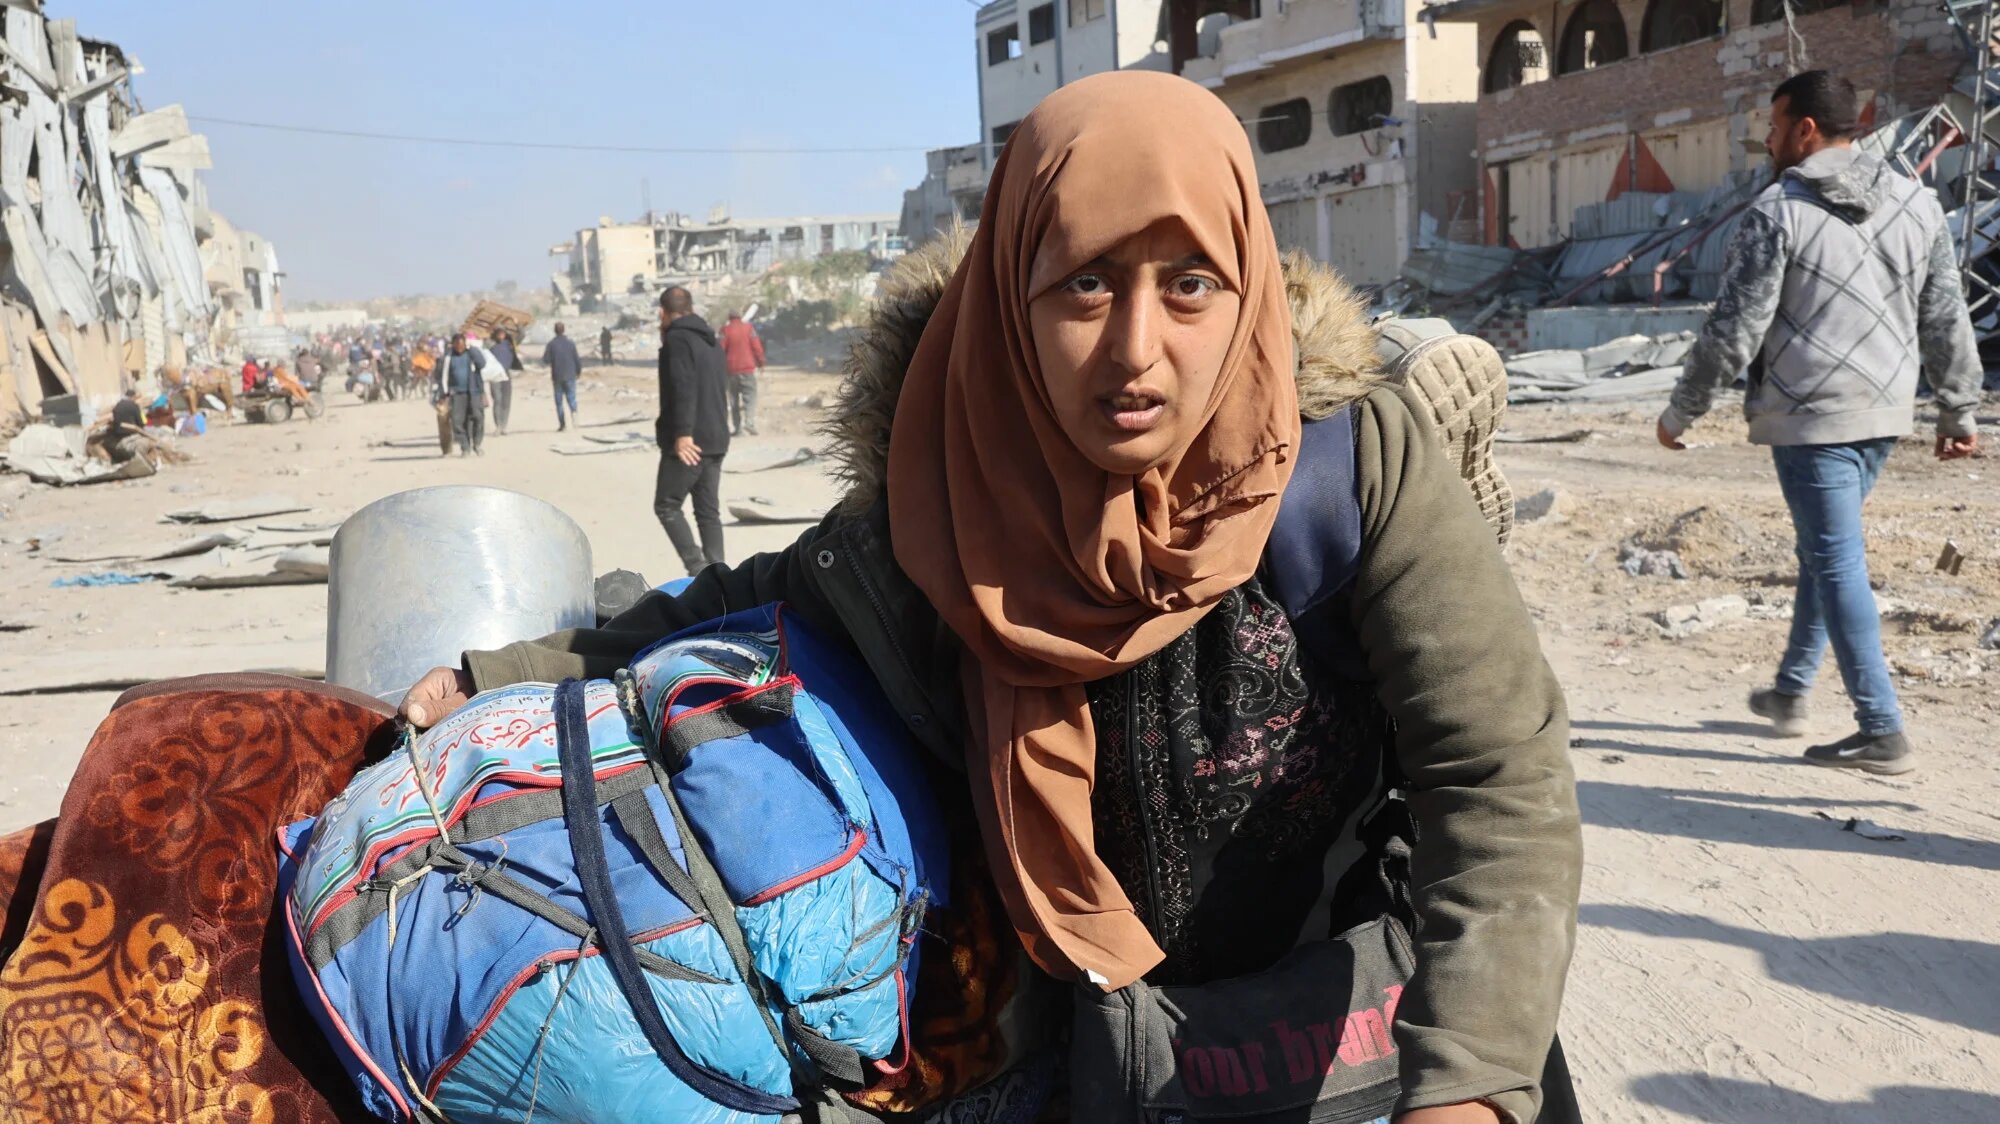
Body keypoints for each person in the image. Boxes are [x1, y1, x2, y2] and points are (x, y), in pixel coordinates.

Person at [402, 72, 1580, 1124]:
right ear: (1010, 299)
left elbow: (1496, 771)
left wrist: (1469, 1079)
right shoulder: (940, 507)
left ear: (1246, 288)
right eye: (1081, 285)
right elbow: (746, 598)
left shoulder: (1350, 475)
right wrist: (505, 674)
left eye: (1187, 285)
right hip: (1069, 1053)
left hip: (1344, 1044)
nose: (1134, 348)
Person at [1657, 70, 1982, 776]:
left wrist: (1682, 409)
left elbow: (1734, 329)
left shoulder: (1779, 211)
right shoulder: (1916, 204)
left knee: (1836, 561)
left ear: (1805, 128)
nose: (1768, 141)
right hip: (1883, 414)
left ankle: (1881, 728)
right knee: (1824, 551)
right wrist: (1958, 408)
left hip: (1810, 418)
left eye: (1774, 126)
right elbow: (1945, 316)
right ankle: (1790, 691)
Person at [652, 286, 732, 574]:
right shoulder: (710, 339)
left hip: (691, 440)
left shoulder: (678, 339)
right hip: (717, 436)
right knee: (708, 511)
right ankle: (719, 575)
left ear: (663, 312)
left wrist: (682, 433)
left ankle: (698, 569)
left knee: (667, 505)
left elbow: (682, 386)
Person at [434, 333, 488, 457]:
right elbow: (441, 376)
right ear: (452, 345)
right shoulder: (447, 358)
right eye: (457, 345)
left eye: (462, 345)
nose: (459, 347)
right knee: (458, 422)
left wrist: (472, 349)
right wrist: (443, 395)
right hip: (456, 394)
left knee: (477, 417)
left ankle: (477, 444)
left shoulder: (471, 354)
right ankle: (465, 447)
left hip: (474, 392)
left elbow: (482, 364)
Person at [718, 310, 766, 435]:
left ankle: (737, 428)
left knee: (734, 400)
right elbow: (757, 347)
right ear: (740, 317)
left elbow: (720, 349)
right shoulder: (749, 328)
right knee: (750, 397)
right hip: (747, 369)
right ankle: (749, 423)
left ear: (729, 317)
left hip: (730, 370)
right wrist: (761, 362)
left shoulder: (725, 330)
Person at [542, 321, 583, 430]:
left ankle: (562, 424)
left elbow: (546, 360)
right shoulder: (571, 343)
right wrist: (578, 371)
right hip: (570, 375)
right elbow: (577, 359)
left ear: (555, 331)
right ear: (564, 330)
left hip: (557, 376)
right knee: (571, 397)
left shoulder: (551, 344)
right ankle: (574, 416)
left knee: (559, 402)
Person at [487, 328, 521, 434]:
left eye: (503, 334)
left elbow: (522, 334)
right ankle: (498, 425)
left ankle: (504, 426)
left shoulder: (509, 346)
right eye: (499, 334)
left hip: (506, 374)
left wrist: (516, 324)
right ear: (495, 335)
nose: (501, 336)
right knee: (497, 399)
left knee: (506, 401)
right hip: (495, 375)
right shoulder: (491, 347)